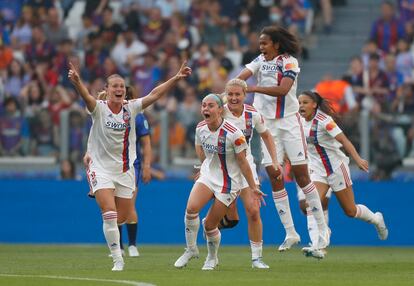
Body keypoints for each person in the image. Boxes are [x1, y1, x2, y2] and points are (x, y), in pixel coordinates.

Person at [68, 61, 191, 271]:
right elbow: (86, 97)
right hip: (100, 167)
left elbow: (154, 94)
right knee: (109, 212)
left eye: (122, 86)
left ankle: (119, 243)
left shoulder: (131, 108)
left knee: (122, 216)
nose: (118, 89)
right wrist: (78, 82)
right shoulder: (98, 109)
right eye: (114, 86)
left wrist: (176, 78)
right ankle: (118, 258)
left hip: (125, 170)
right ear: (106, 90)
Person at [237, 25, 329, 251]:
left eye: (265, 43)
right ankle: (291, 233)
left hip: (289, 123)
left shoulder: (290, 62)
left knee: (302, 176)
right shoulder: (259, 60)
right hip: (266, 126)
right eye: (260, 44)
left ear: (276, 44)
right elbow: (241, 78)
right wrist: (232, 90)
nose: (261, 48)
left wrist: (250, 89)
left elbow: (283, 89)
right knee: (275, 176)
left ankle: (321, 229)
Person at [174, 94, 263, 271]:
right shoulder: (200, 128)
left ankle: (212, 257)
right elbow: (200, 147)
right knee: (191, 208)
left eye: (211, 106)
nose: (206, 109)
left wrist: (253, 187)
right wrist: (202, 166)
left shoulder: (234, 134)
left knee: (210, 225)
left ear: (220, 110)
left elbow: (243, 163)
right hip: (208, 175)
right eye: (203, 105)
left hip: (228, 183)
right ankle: (191, 250)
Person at [297, 90, 388, 258]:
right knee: (312, 203)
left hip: (337, 169)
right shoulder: (298, 121)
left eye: (305, 102)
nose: (301, 105)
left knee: (350, 211)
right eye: (300, 102)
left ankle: (376, 219)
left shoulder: (325, 121)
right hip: (317, 170)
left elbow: (344, 140)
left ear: (314, 105)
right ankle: (318, 244)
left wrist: (358, 159)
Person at [202, 78, 282, 268]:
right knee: (230, 220)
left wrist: (275, 160)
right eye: (230, 94)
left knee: (253, 211)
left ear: (245, 95)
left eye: (238, 94)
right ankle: (211, 255)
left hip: (245, 167)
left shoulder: (252, 114)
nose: (234, 98)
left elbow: (267, 136)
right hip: (223, 169)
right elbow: (205, 135)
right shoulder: (219, 110)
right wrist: (204, 166)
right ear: (225, 95)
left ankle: (257, 258)